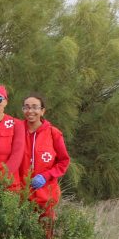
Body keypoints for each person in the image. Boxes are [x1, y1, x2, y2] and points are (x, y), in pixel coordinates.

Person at [19, 93, 70, 221]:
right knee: (20, 238)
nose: (30, 111)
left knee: (46, 236)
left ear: (42, 111)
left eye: (35, 107)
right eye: (26, 107)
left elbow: (63, 161)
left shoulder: (54, 133)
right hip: (19, 196)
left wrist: (46, 176)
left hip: (45, 196)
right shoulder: (15, 131)